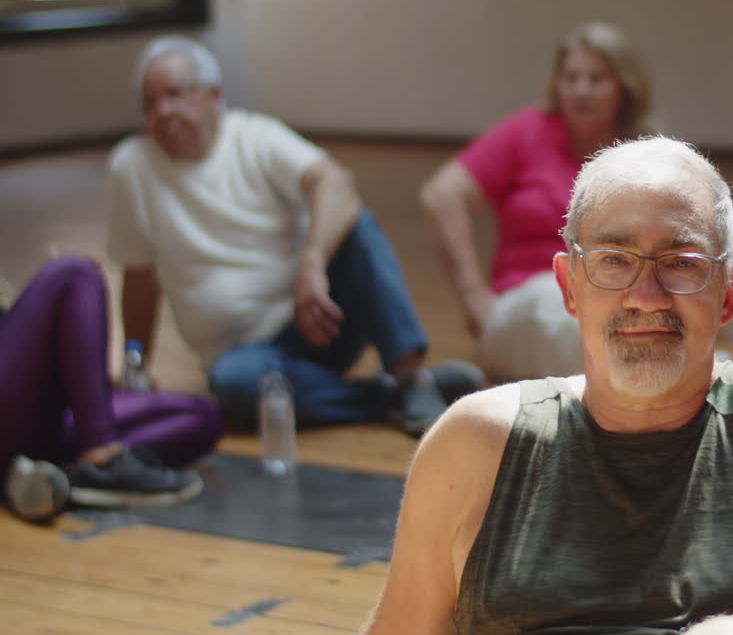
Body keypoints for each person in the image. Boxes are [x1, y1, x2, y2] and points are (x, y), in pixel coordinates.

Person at [360, 138, 733, 635]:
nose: (646, 296)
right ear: (569, 287)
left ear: (729, 292)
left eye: (681, 262)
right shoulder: (473, 446)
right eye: (614, 260)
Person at [107, 36, 483, 438]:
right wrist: (136, 365)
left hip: (318, 316)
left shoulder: (254, 137)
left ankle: (410, 375)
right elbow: (140, 281)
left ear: (214, 95)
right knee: (235, 384)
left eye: (175, 95)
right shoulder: (132, 167)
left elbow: (334, 182)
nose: (163, 112)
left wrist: (312, 263)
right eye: (150, 103)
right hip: (245, 358)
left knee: (356, 224)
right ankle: (392, 396)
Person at [420, 21, 653, 384]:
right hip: (525, 305)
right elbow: (441, 195)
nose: (581, 90)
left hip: (614, 307)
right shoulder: (527, 132)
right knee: (558, 301)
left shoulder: (644, 153)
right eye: (571, 78)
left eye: (596, 79)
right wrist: (473, 298)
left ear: (625, 88)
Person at [1, 255, 220, 523]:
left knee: (201, 415)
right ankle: (101, 460)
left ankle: (49, 476)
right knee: (74, 273)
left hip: (27, 419)